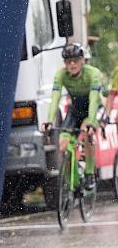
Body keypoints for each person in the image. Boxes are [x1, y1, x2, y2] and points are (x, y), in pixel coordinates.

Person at [42, 43, 102, 190]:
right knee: (63, 146)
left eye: (75, 60)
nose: (72, 64)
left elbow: (94, 100)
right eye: (69, 61)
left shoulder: (93, 74)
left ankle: (89, 173)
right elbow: (55, 98)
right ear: (65, 64)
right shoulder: (61, 75)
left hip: (91, 110)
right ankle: (72, 183)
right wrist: (49, 121)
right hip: (75, 111)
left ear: (83, 60)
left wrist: (91, 123)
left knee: (87, 134)